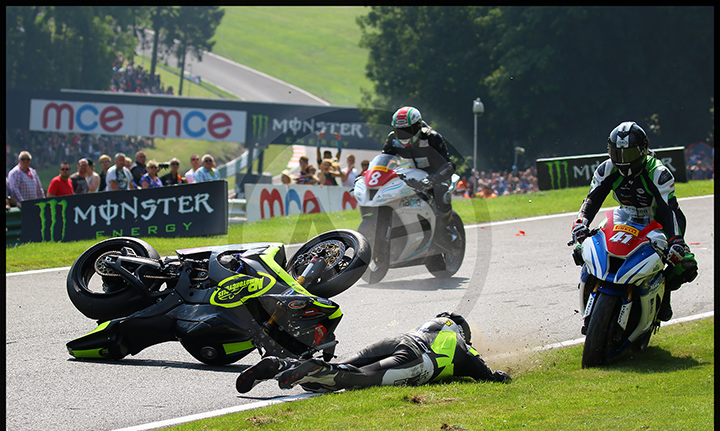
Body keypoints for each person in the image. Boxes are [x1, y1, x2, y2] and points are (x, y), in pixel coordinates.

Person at [571, 121, 698, 323]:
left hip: (657, 221)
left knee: (686, 264)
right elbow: (592, 200)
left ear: (643, 150)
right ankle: (592, 293)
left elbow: (669, 210)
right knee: (583, 247)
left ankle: (663, 298)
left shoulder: (658, 172)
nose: (622, 160)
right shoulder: (607, 169)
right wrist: (581, 223)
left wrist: (675, 240)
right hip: (624, 215)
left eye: (628, 154)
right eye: (617, 153)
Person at [236, 312, 511, 394]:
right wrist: (503, 376)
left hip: (395, 341)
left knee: (336, 375)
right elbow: (488, 375)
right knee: (358, 379)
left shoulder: (428, 326)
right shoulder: (461, 343)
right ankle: (310, 369)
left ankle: (281, 365)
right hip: (417, 358)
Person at [382, 106, 458, 250]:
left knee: (440, 192)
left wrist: (433, 179)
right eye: (400, 131)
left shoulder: (432, 137)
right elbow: (383, 159)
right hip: (411, 173)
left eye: (407, 130)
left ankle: (449, 228)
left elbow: (448, 165)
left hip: (436, 175)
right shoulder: (393, 139)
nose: (403, 135)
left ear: (417, 127)